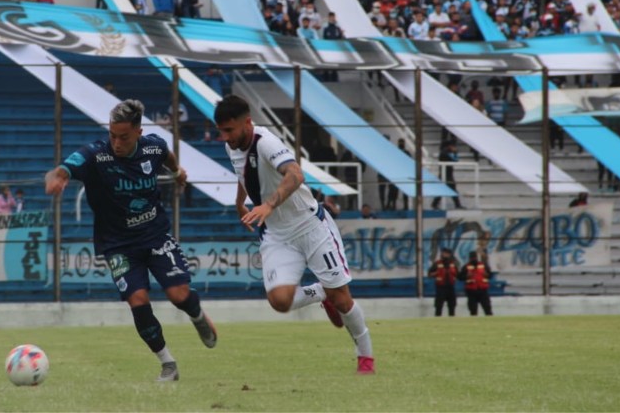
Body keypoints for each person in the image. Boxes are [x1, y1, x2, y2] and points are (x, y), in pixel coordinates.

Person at [44, 99, 216, 382]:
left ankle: (197, 316)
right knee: (137, 300)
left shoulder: (154, 146)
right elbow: (62, 168)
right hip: (117, 245)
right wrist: (56, 179)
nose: (116, 142)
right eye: (112, 135)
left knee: (178, 295)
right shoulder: (95, 156)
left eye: (123, 137)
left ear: (138, 131)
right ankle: (168, 363)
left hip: (155, 235)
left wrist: (176, 172)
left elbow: (168, 157)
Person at [213, 94, 375, 374]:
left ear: (247, 123)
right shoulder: (233, 145)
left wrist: (269, 204)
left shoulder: (266, 142)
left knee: (344, 300)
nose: (225, 137)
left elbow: (296, 174)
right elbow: (245, 173)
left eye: (229, 130)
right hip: (277, 234)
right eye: (222, 131)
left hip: (310, 227)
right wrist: (241, 202)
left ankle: (366, 358)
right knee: (279, 301)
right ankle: (321, 293)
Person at [427, 248, 459, 317]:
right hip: (440, 288)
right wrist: (435, 273)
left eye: (447, 253)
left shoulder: (453, 264)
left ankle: (452, 320)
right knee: (438, 306)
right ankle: (437, 320)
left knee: (452, 306)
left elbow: (458, 274)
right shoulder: (437, 263)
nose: (445, 255)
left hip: (450, 287)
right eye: (444, 253)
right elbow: (429, 274)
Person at [459, 250, 493, 316]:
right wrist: (467, 276)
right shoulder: (466, 267)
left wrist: (487, 275)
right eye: (472, 258)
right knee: (473, 310)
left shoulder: (483, 265)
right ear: (469, 258)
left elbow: (490, 275)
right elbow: (460, 277)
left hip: (482, 290)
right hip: (471, 290)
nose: (474, 259)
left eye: (475, 257)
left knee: (487, 308)